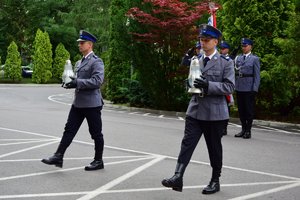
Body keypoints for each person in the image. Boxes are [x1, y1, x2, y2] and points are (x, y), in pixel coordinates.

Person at [161, 24, 235, 195]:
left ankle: (215, 180)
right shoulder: (196, 59)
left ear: (215, 42)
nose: (203, 42)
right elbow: (192, 81)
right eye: (201, 39)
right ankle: (177, 176)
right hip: (195, 109)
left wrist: (209, 85)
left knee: (214, 148)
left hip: (215, 112)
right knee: (187, 144)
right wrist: (188, 84)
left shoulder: (226, 63)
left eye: (206, 40)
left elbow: (229, 86)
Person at [41, 30, 105, 171]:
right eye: (79, 43)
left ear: (90, 44)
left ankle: (98, 160)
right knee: (69, 130)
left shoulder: (97, 61)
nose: (79, 45)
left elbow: (97, 81)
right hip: (78, 103)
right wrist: (68, 83)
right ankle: (58, 156)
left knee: (96, 133)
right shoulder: (78, 62)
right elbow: (76, 80)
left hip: (92, 104)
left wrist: (77, 82)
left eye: (82, 43)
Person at [234, 38, 260, 139]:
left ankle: (248, 131)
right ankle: (243, 129)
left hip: (249, 88)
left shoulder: (254, 59)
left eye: (245, 46)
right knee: (241, 110)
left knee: (249, 111)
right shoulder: (238, 58)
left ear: (250, 46)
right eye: (242, 46)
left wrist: (255, 88)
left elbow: (257, 75)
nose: (243, 47)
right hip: (239, 86)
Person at [219, 41, 235, 135]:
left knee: (226, 107)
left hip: (226, 85)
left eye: (224, 48)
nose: (222, 50)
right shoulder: (218, 58)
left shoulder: (230, 59)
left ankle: (224, 127)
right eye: (221, 48)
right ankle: (219, 127)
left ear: (227, 49)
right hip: (218, 85)